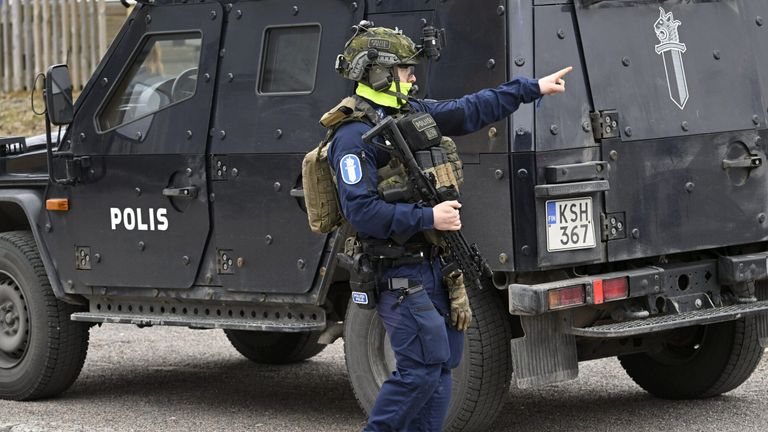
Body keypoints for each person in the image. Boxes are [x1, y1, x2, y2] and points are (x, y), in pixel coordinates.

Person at [325, 23, 571, 432]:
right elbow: (362, 212)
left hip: (436, 269)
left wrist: (531, 89)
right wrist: (428, 218)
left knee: (441, 372)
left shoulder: (410, 115)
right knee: (419, 372)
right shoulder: (352, 137)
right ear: (378, 73)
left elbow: (469, 108)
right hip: (399, 274)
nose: (413, 76)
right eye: (405, 69)